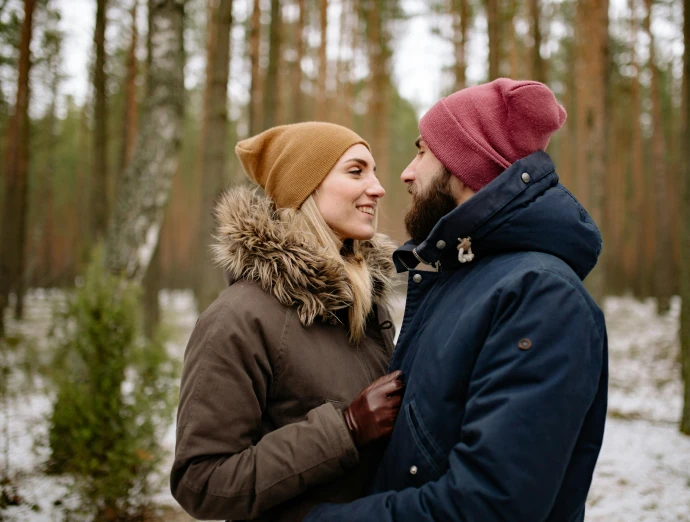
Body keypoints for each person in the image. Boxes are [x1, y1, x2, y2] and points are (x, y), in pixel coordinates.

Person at [305, 79, 609, 522]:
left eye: (423, 151)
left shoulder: (541, 297)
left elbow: (488, 506)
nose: (406, 173)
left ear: (467, 164)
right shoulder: (464, 277)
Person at [170, 122, 405, 522]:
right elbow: (201, 483)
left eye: (375, 171)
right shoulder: (237, 319)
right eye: (356, 171)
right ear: (306, 187)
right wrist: (345, 429)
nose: (379, 187)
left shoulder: (366, 307)